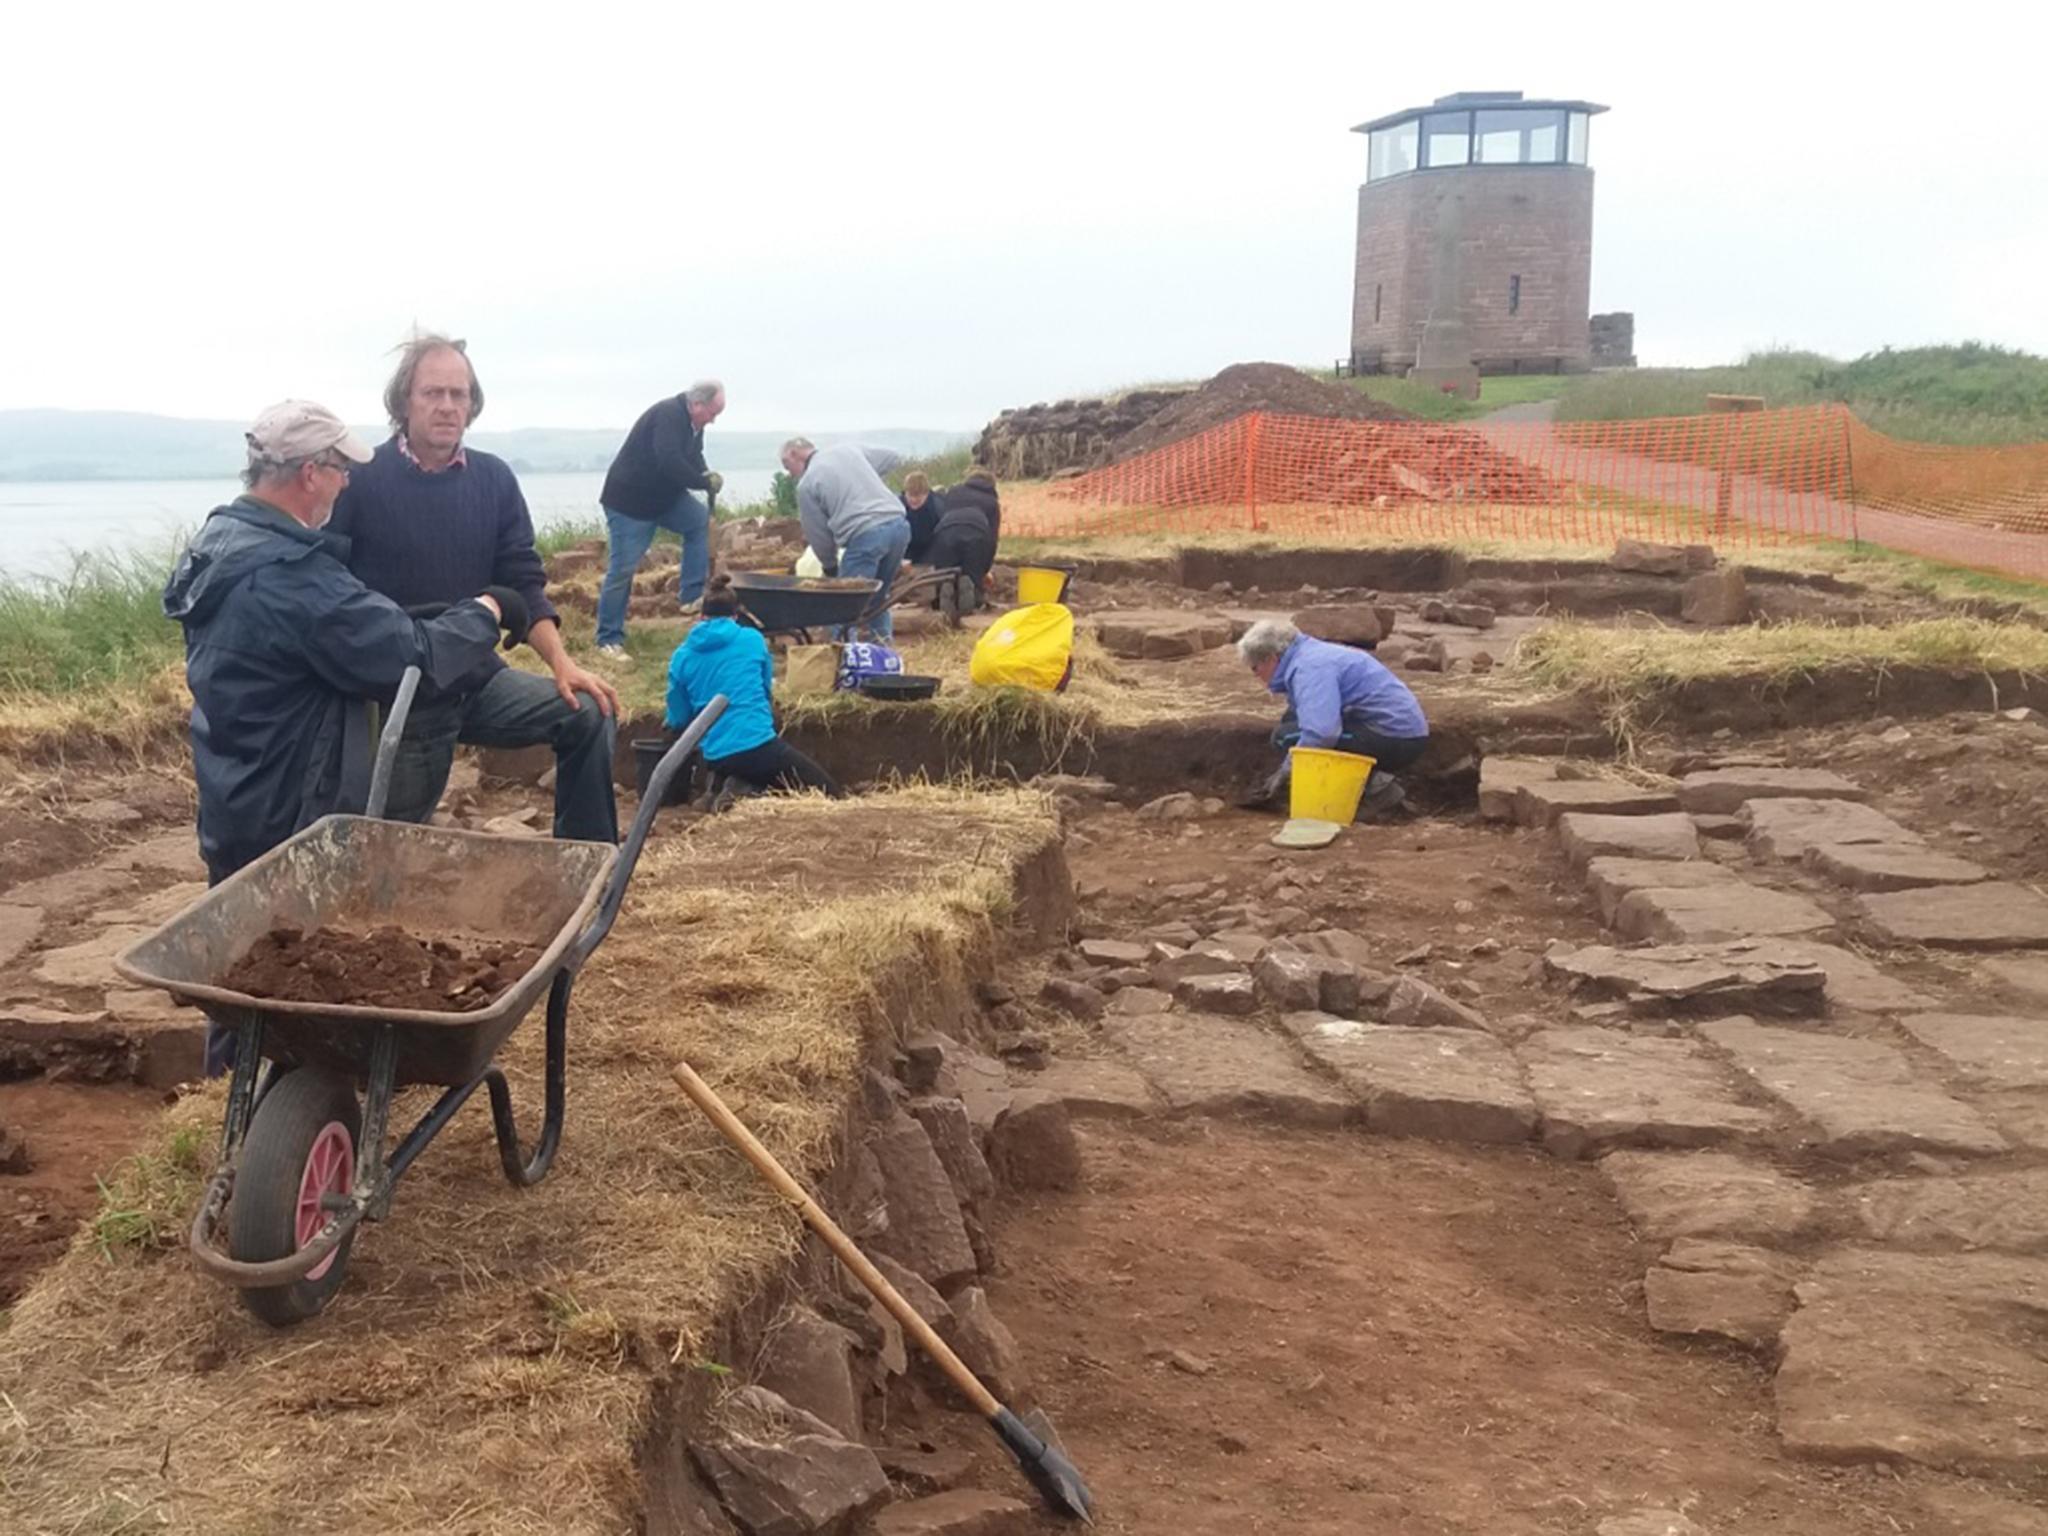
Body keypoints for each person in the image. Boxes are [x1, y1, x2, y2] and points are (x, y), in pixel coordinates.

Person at [164, 401, 522, 1070]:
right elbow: (410, 658)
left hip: (234, 786)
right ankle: (289, 1103)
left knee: (241, 961)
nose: (347, 483)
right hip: (298, 800)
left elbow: (325, 637)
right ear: (308, 473)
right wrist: (487, 610)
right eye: (339, 470)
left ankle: (227, 1098)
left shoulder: (220, 543)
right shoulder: (294, 577)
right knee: (296, 962)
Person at [329, 334, 622, 843]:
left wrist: (562, 664)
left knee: (588, 713)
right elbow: (329, 591)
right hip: (402, 695)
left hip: (479, 681)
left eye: (458, 394)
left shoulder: (494, 479)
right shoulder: (361, 480)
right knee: (392, 843)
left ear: (472, 403)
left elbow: (522, 581)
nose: (447, 407)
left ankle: (583, 865)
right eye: (432, 393)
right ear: (404, 401)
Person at [666, 575, 843, 803]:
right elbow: (764, 690)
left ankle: (725, 783)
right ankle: (739, 790)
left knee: (753, 766)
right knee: (827, 790)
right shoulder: (752, 639)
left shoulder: (682, 656)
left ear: (701, 617)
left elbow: (678, 718)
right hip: (757, 745)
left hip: (713, 754)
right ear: (735, 616)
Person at [1236, 618, 1430, 817]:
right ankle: (1365, 783)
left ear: (1271, 658)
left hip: (1397, 737)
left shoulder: (1310, 669)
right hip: (1396, 729)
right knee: (1291, 720)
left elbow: (1322, 733)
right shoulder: (1309, 654)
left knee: (1285, 737)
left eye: (1255, 668)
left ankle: (1376, 790)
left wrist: (1286, 773)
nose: (1256, 676)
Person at [596, 380, 726, 657]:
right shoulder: (667, 415)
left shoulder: (694, 424)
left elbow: (693, 456)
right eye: (712, 413)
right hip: (630, 502)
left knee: (698, 521)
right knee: (623, 570)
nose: (713, 420)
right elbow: (669, 460)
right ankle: (608, 638)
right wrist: (700, 483)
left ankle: (691, 596)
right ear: (696, 404)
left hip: (664, 499)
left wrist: (705, 474)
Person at [781, 437, 912, 641]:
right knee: (877, 599)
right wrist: (865, 479)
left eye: (787, 466)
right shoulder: (848, 450)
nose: (789, 475)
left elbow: (818, 533)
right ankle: (884, 655)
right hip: (898, 526)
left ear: (795, 454)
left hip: (866, 534)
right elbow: (893, 457)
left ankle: (844, 658)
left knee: (842, 605)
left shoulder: (807, 484)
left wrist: (830, 566)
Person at [923, 469, 1001, 612]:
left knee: (945, 571)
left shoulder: (954, 492)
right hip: (977, 530)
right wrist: (985, 569)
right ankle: (972, 595)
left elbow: (940, 511)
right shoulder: (991, 501)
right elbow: (993, 537)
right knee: (973, 574)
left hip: (945, 530)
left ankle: (945, 587)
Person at [902, 469, 942, 563]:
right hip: (906, 554)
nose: (913, 500)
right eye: (910, 495)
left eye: (918, 496)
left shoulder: (937, 509)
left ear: (927, 493)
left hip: (930, 553)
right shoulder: (898, 507)